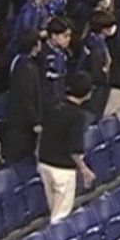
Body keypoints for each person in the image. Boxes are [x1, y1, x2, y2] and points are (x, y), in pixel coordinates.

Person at [37, 73, 96, 223]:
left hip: (44, 163)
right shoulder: (77, 116)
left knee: (54, 210)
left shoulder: (54, 105)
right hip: (62, 170)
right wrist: (84, 169)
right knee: (60, 217)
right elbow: (74, 149)